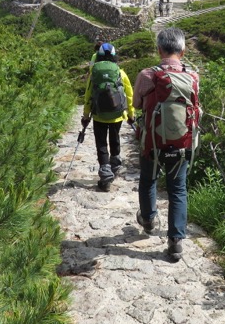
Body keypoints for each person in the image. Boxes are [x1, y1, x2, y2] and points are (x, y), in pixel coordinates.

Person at [132, 27, 200, 262]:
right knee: (178, 189)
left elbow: (137, 105)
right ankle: (175, 242)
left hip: (151, 141)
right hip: (181, 144)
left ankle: (149, 219)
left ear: (159, 49)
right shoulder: (193, 77)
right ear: (182, 51)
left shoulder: (147, 75)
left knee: (148, 179)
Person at [82, 43, 135, 192]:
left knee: (101, 143)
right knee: (114, 137)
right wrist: (131, 114)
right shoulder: (120, 72)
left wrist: (86, 116)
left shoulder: (94, 73)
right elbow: (129, 95)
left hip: (99, 115)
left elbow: (88, 96)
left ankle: (105, 175)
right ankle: (115, 165)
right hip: (117, 115)